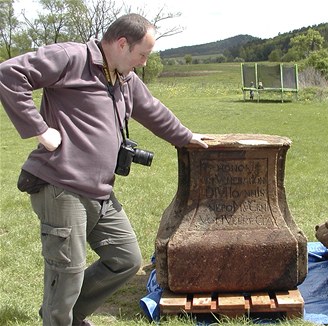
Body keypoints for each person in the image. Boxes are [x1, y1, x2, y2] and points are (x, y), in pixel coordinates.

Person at [0, 13, 210, 326]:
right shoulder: (71, 58)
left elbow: (152, 110)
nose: (143, 62)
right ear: (122, 43)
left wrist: (187, 137)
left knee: (126, 260)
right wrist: (40, 130)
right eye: (142, 54)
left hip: (101, 192)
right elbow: (8, 73)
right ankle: (59, 318)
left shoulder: (124, 78)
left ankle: (68, 314)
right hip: (62, 186)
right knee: (67, 270)